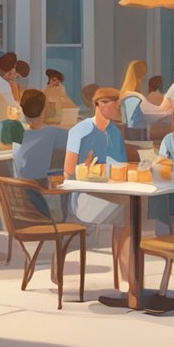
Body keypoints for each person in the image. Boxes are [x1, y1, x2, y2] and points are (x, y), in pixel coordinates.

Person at [63, 86, 132, 284]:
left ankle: (125, 278)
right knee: (129, 214)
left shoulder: (115, 132)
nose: (118, 108)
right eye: (115, 104)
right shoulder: (80, 131)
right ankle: (127, 278)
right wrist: (86, 169)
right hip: (84, 198)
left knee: (130, 210)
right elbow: (68, 172)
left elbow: (120, 168)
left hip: (110, 193)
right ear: (100, 104)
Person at [12, 90, 71, 184]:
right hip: (45, 193)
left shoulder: (17, 137)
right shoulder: (56, 133)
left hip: (23, 194)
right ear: (45, 109)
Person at [119, 60, 168, 139]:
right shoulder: (135, 98)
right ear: (140, 78)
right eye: (145, 75)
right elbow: (149, 114)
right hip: (138, 137)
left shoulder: (127, 95)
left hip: (134, 136)